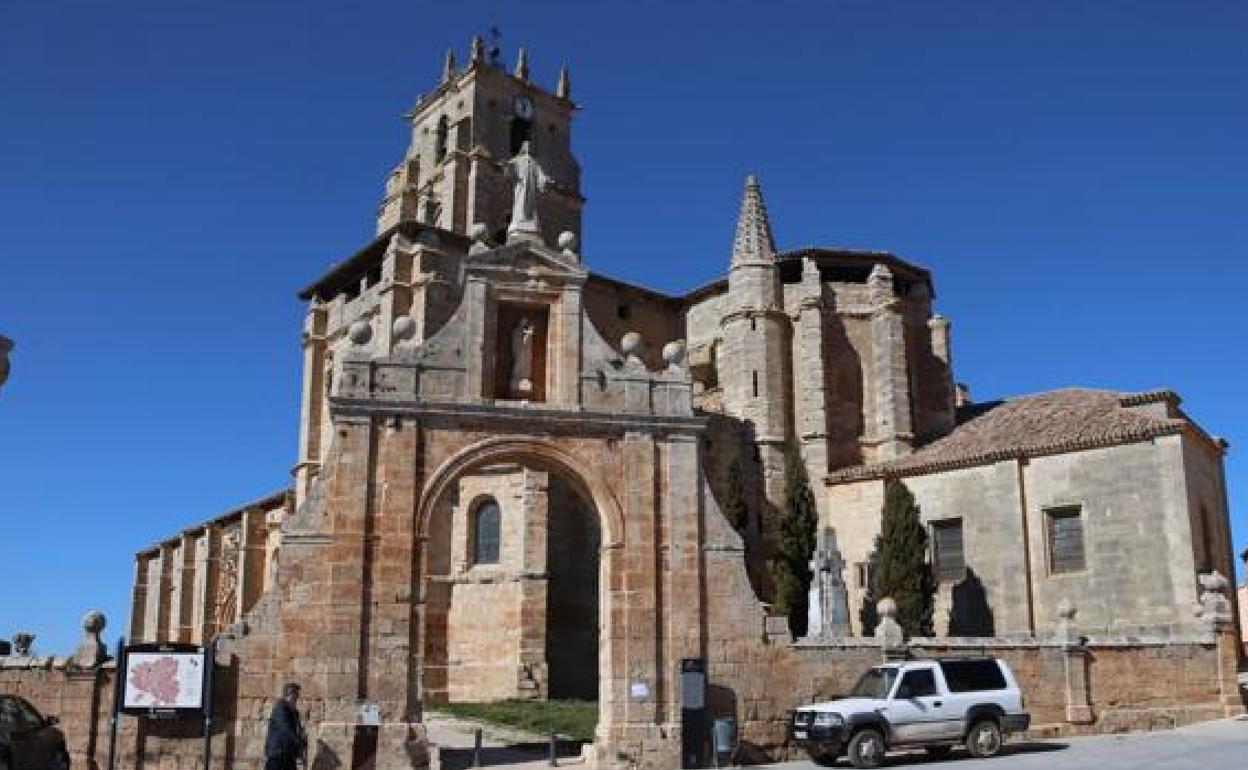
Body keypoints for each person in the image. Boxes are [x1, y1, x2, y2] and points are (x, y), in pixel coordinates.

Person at [265, 682, 306, 770]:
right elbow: (286, 728)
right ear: (289, 695)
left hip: (288, 755)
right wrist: (299, 741)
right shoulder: (280, 708)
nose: (297, 699)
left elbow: (296, 730)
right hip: (277, 755)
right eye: (296, 696)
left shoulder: (293, 712)